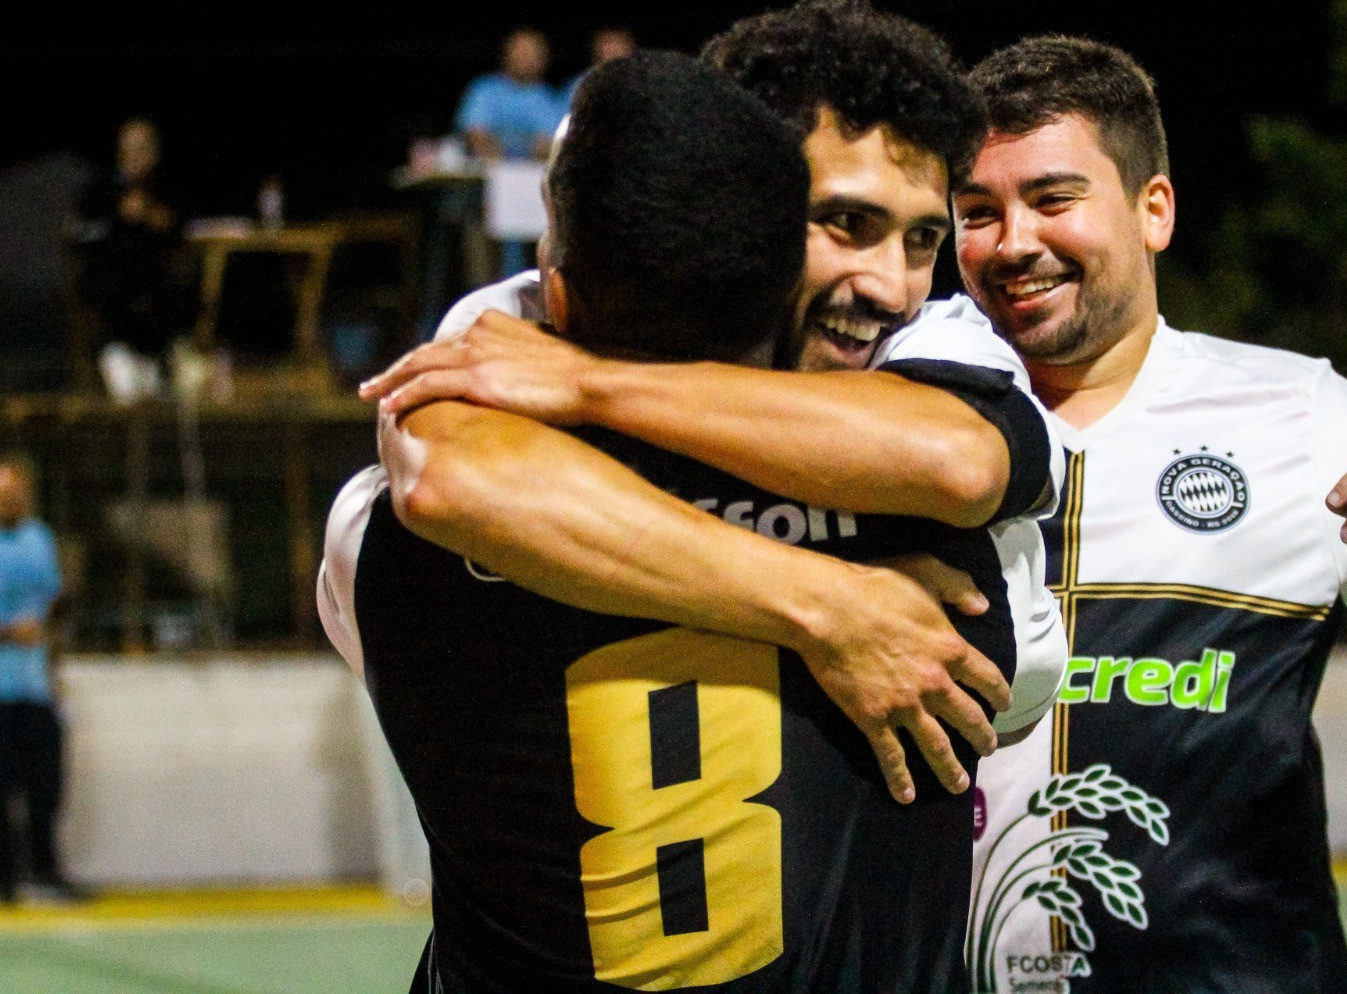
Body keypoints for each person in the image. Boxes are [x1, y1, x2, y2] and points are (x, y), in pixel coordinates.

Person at [321, 50, 1058, 991]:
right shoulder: (949, 537)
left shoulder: (405, 518)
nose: (890, 286)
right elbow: (982, 519)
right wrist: (826, 603)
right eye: (845, 223)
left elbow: (435, 471)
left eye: (922, 241)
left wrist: (591, 385)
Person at [953, 34, 1347, 994]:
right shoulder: (899, 424)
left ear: (1153, 209)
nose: (1013, 241)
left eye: (1052, 198)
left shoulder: (1295, 416)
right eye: (977, 211)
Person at [0, 459, 81, 905]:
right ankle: (3, 876)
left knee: (46, 783)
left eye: (18, 492)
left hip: (35, 688)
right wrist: (5, 633)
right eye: (3, 494)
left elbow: (50, 605)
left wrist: (52, 665)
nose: (12, 500)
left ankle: (46, 869)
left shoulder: (40, 539)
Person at [72, 117, 187, 401]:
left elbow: (177, 227)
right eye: (130, 149)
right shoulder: (101, 189)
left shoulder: (164, 188)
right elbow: (80, 234)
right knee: (128, 393)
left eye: (144, 148)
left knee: (159, 395)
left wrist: (149, 215)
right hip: (113, 310)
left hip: (157, 315)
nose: (137, 156)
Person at [455, 28, 568, 280]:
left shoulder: (548, 98)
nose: (527, 59)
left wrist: (504, 145)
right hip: (481, 198)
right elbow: (477, 138)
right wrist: (525, 147)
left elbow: (550, 146)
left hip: (534, 201)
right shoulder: (484, 90)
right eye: (521, 52)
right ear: (506, 55)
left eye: (533, 53)